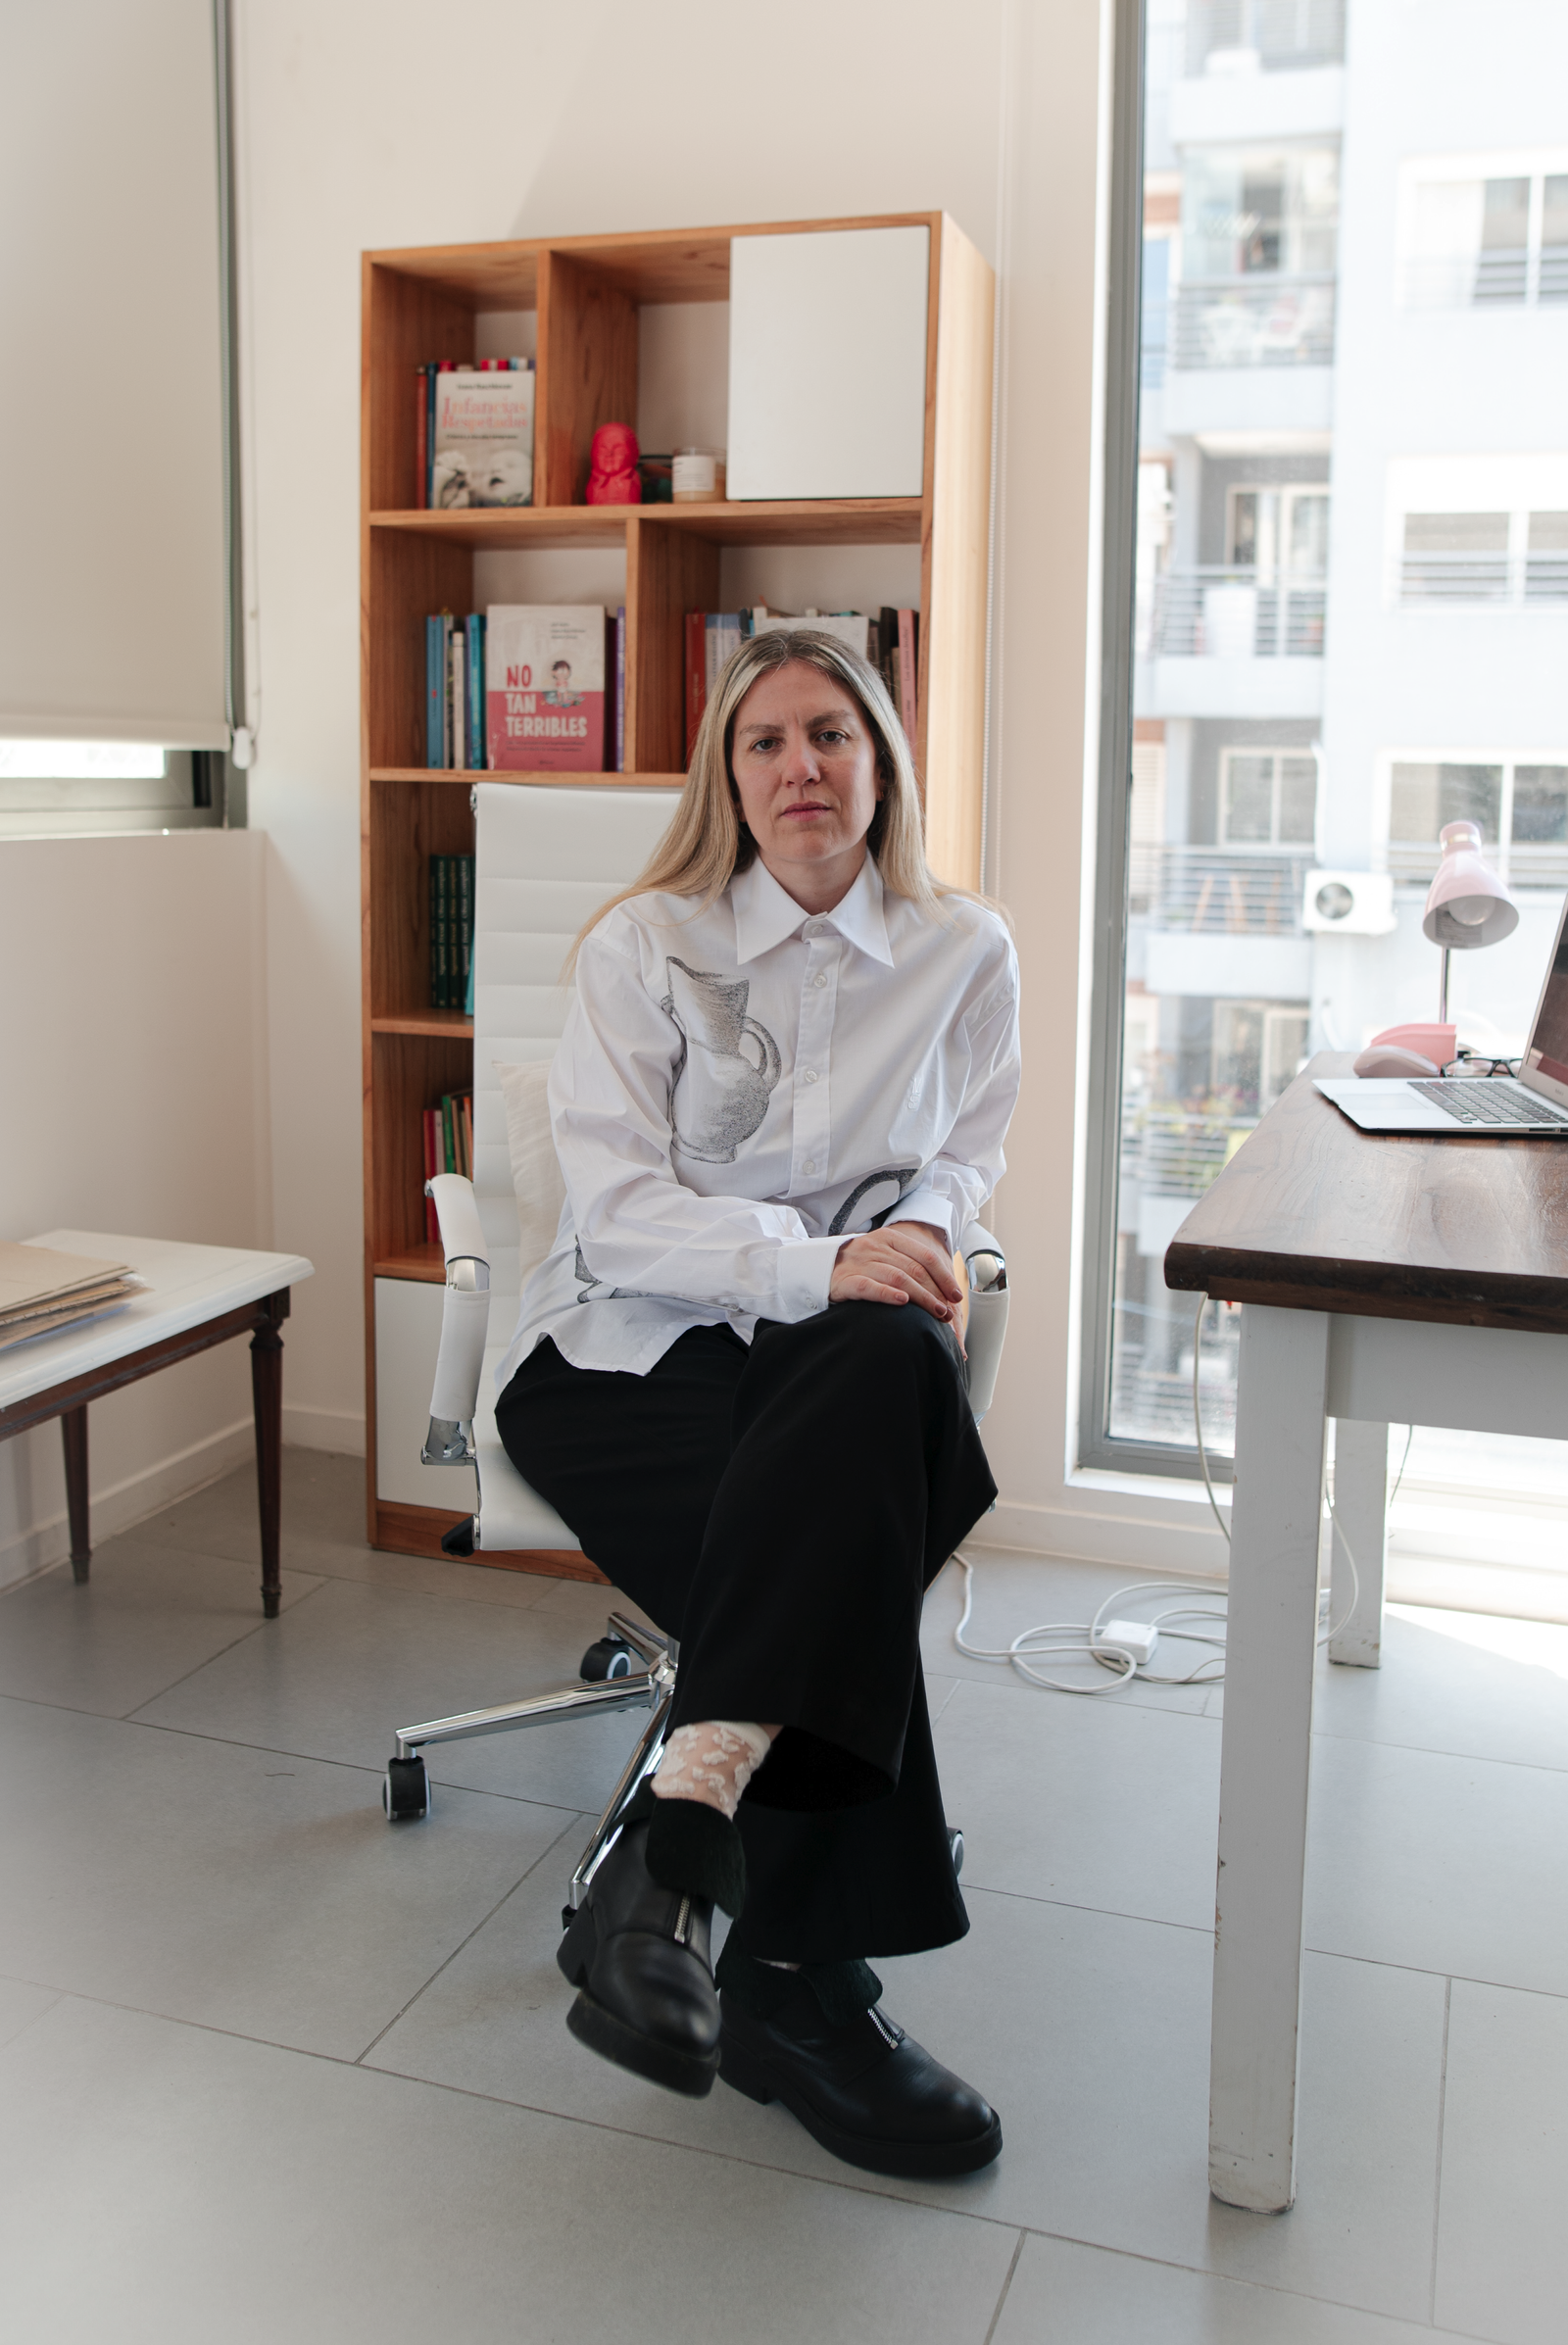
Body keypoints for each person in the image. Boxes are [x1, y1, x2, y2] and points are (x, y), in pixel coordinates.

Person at [494, 628, 1020, 2179]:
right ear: (727, 779)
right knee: (842, 1515)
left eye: (831, 735)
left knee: (880, 1368)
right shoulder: (643, 945)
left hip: (834, 1359)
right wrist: (825, 1263)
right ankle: (798, 1989)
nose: (802, 767)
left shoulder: (964, 949)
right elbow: (617, 1218)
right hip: (621, 1351)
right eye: (766, 741)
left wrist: (916, 1235)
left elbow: (967, 1154)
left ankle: (677, 1875)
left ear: (881, 764)